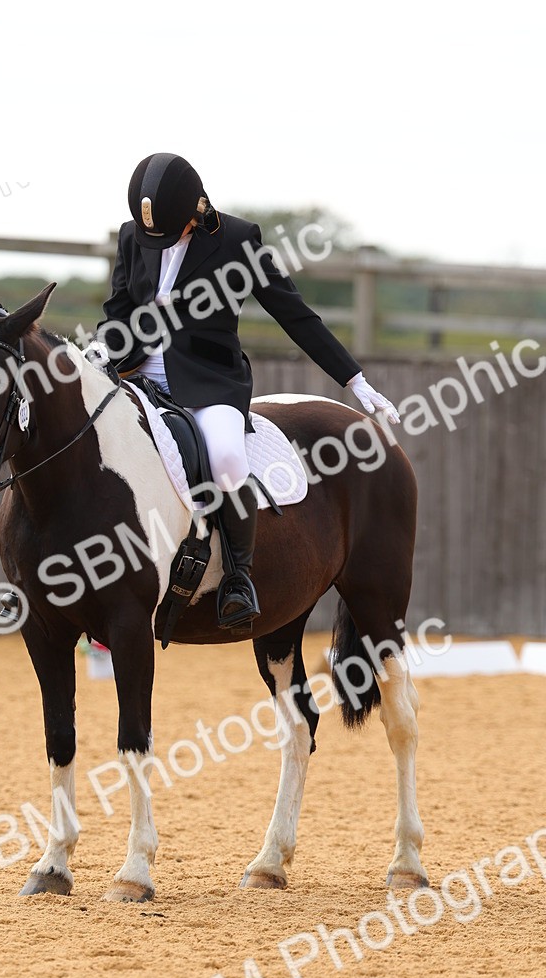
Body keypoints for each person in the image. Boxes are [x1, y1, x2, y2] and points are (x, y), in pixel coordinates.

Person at [86, 152, 399, 630]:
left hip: (208, 382)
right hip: (137, 375)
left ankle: (237, 577)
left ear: (196, 208)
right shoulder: (134, 236)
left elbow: (293, 313)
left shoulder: (237, 239)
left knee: (229, 460)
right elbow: (119, 311)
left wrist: (354, 379)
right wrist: (99, 352)